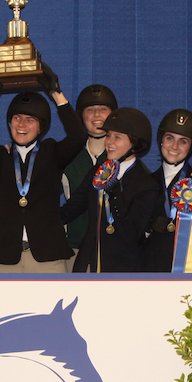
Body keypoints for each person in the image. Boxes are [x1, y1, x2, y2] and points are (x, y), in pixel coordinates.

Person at [0, 65, 85, 273]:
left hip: (48, 256)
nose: (22, 124)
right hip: (6, 257)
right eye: (17, 118)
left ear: (41, 127)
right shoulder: (0, 158)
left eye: (31, 120)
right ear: (9, 122)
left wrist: (56, 93)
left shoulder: (52, 153)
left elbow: (78, 137)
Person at [60, 107, 158, 272]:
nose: (109, 141)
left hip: (123, 268)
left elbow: (133, 233)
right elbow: (71, 209)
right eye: (108, 135)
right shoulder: (97, 173)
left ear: (135, 144)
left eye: (117, 137)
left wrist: (116, 196)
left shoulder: (146, 184)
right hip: (89, 262)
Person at [142, 109, 192, 274]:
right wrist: (148, 225)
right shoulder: (145, 183)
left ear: (191, 146)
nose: (174, 146)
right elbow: (130, 235)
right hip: (153, 269)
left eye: (183, 141)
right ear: (161, 141)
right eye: (169, 138)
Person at [61, 85, 117, 259]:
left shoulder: (123, 157)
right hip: (74, 248)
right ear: (81, 116)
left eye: (103, 109)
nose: (97, 115)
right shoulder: (66, 156)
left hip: (113, 249)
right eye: (90, 110)